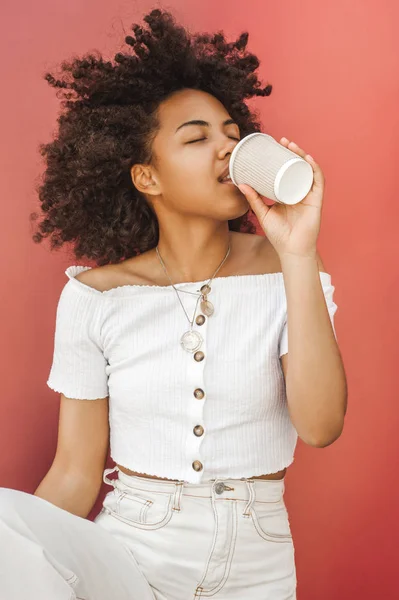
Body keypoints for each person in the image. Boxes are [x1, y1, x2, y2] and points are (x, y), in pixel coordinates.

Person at [0, 7, 347, 600]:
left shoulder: (288, 269)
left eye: (233, 137)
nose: (225, 150)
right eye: (197, 137)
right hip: (130, 553)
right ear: (146, 178)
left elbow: (320, 427)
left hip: (256, 563)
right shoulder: (95, 296)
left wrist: (297, 255)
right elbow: (76, 473)